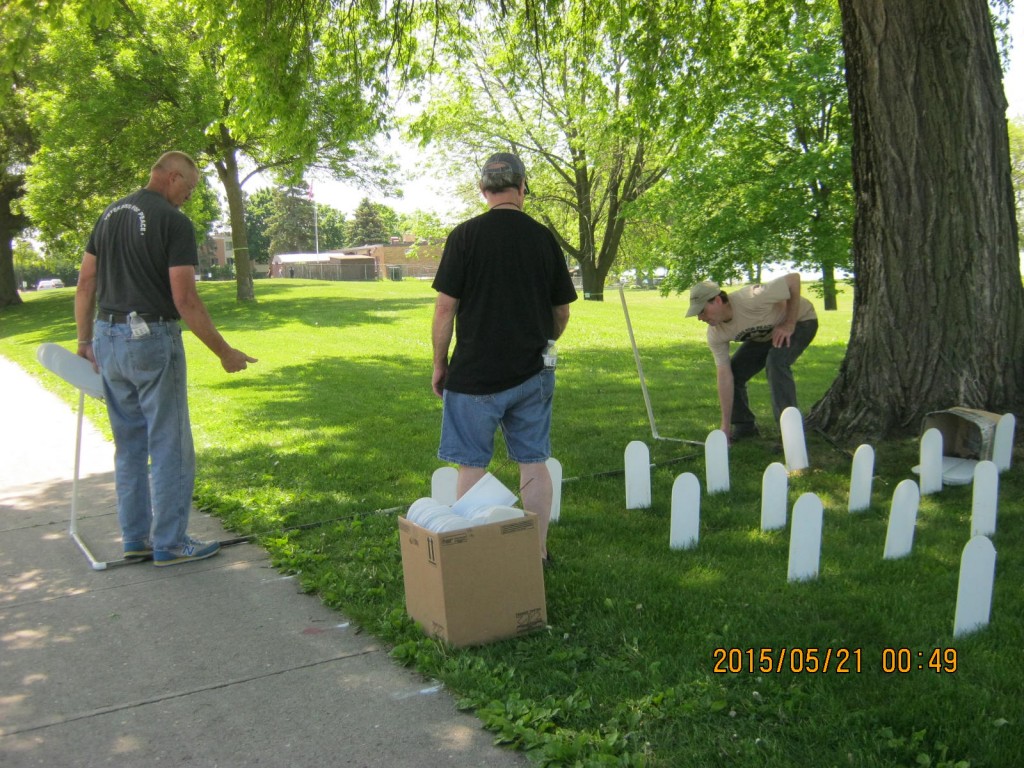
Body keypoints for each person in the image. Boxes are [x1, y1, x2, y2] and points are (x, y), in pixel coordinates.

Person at [75, 151, 257, 566]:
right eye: (189, 188)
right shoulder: (173, 222)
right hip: (152, 340)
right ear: (172, 177)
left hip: (108, 336)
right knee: (170, 442)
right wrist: (225, 352)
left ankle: (136, 537)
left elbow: (87, 282)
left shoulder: (109, 214)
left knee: (130, 445)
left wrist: (85, 339)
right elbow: (185, 298)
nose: (189, 197)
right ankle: (171, 542)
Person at [431, 152, 577, 562]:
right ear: (523, 188)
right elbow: (562, 311)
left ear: (483, 190)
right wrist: (545, 340)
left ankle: (479, 557)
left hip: (474, 375)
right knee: (533, 462)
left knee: (471, 466)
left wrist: (440, 364)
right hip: (533, 373)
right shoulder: (544, 238)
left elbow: (445, 309)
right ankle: (537, 551)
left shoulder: (464, 236)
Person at [685, 274, 817, 442]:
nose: (700, 318)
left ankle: (790, 433)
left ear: (717, 301)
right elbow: (724, 376)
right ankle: (744, 427)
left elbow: (793, 280)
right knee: (734, 372)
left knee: (776, 362)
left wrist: (789, 324)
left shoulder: (753, 298)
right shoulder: (716, 334)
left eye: (702, 311)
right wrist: (725, 426)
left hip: (801, 321)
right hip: (766, 335)